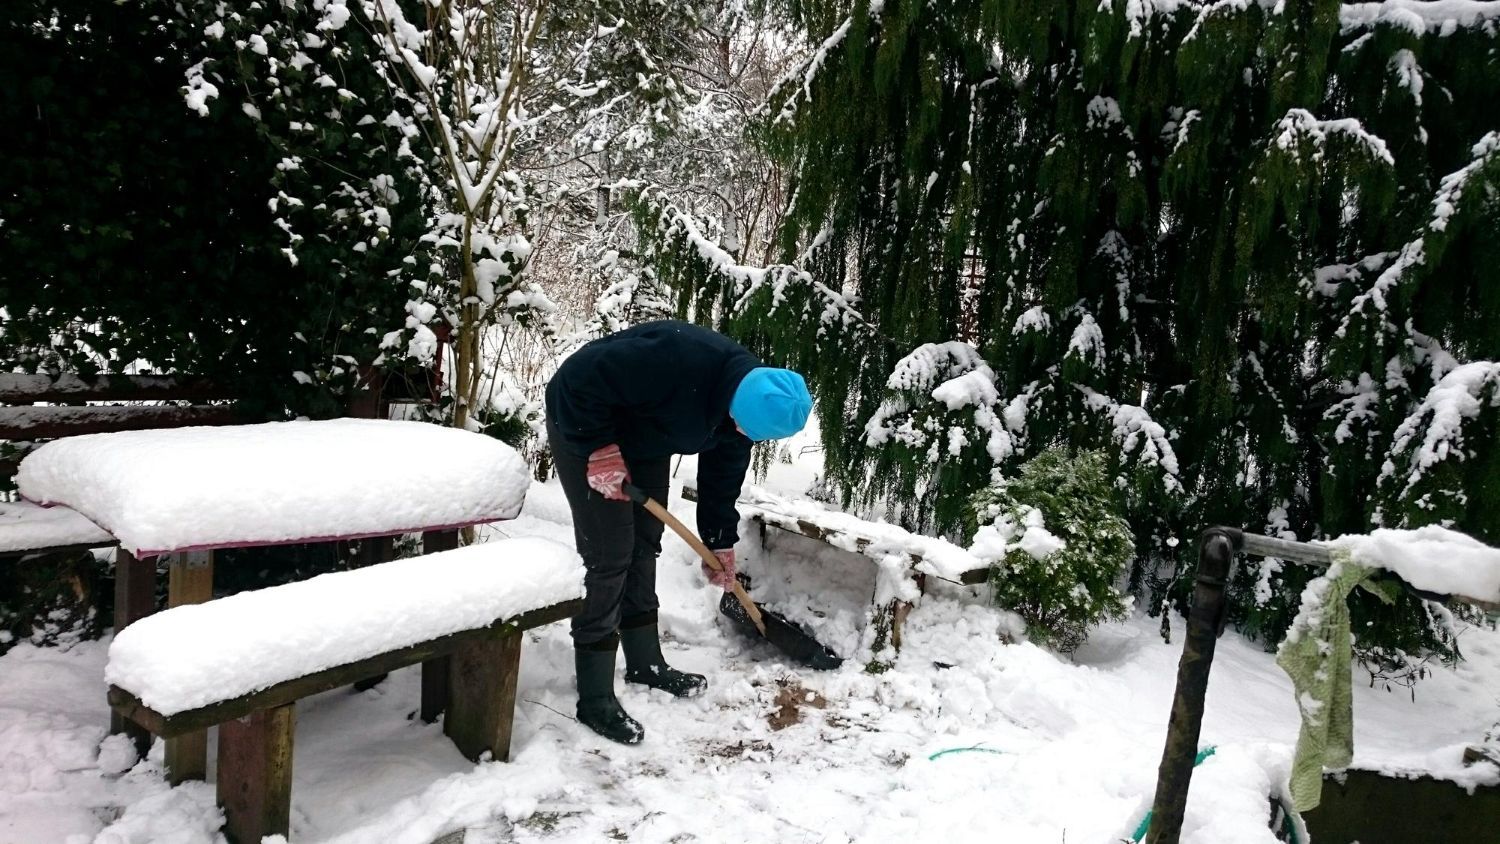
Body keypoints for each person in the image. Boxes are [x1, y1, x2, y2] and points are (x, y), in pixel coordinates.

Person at [544, 320, 813, 744]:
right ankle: (594, 695)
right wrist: (598, 448)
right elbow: (577, 382)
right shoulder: (671, 362)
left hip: (643, 438)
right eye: (743, 428)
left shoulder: (746, 403)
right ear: (738, 405)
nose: (742, 435)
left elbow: (723, 473)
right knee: (610, 553)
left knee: (645, 541)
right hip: (582, 423)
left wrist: (720, 541)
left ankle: (645, 663)